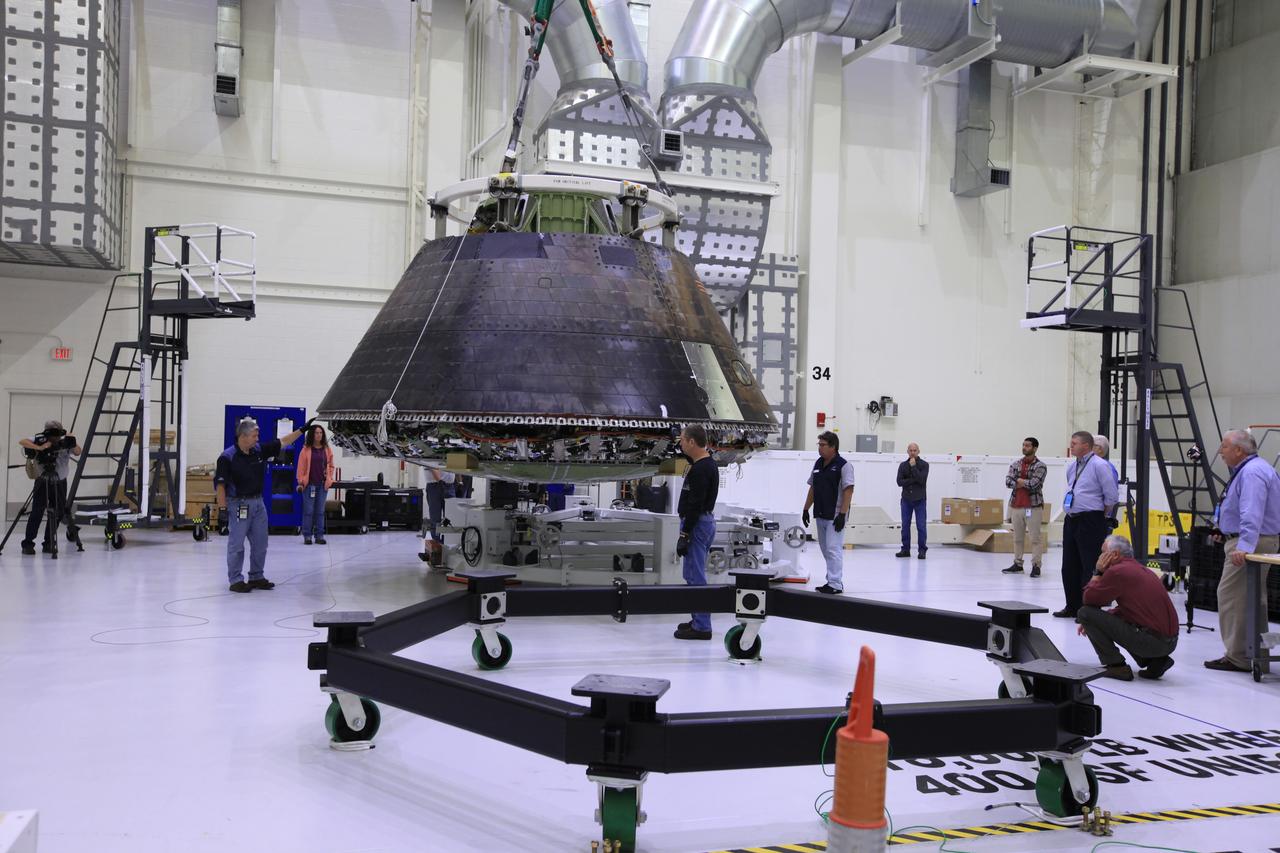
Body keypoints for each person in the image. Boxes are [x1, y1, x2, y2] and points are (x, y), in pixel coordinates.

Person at [1204, 429, 1280, 673]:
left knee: (1232, 597)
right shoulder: (1252, 469)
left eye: (1224, 446)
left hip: (1251, 542)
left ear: (1239, 450)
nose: (1220, 451)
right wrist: (1225, 531)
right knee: (1252, 600)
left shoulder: (1252, 472)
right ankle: (1257, 653)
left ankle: (1239, 657)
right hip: (1250, 539)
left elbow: (1252, 512)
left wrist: (1244, 546)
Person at [215, 415, 311, 593]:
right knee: (236, 545)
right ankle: (236, 580)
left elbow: (283, 442)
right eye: (254, 436)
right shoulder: (227, 457)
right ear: (243, 436)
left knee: (261, 543)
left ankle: (256, 576)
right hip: (238, 505)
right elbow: (220, 485)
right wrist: (222, 509)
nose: (257, 439)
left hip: (258, 504)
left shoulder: (258, 450)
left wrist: (302, 430)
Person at [1077, 535, 1179, 681]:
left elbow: (1089, 599)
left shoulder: (1117, 571)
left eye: (1103, 552)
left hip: (1153, 642)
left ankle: (1116, 665)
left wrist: (1098, 572)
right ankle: (1156, 661)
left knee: (1085, 613)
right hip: (1168, 642)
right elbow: (1130, 609)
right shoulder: (1141, 569)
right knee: (1109, 618)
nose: (1099, 557)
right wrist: (1102, 620)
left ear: (1115, 554)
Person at [1056, 430, 1118, 618]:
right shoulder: (1072, 466)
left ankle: (1088, 608)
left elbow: (1111, 496)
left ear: (1086, 446)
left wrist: (1099, 514)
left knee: (1089, 564)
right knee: (1069, 565)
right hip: (1072, 519)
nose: (1071, 445)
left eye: (1075, 442)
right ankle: (1072, 605)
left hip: (1091, 519)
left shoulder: (1100, 466)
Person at [674, 424, 718, 640]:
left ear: (692, 442)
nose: (680, 443)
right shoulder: (704, 464)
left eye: (683, 440)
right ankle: (697, 618)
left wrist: (685, 534)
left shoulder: (701, 469)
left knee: (696, 576)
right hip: (703, 522)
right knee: (692, 573)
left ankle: (702, 626)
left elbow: (695, 504)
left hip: (697, 524)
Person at [17, 420, 81, 555]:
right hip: (43, 480)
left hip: (60, 482)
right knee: (37, 512)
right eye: (52, 433)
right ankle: (28, 544)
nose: (55, 437)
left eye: (57, 433)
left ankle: (49, 542)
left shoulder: (65, 441)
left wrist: (72, 440)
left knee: (58, 513)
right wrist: (40, 448)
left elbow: (78, 452)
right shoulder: (40, 439)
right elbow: (22, 441)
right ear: (47, 432)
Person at [802, 431, 854, 594]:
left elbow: (848, 490)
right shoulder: (818, 464)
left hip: (835, 515)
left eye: (823, 445)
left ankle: (835, 583)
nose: (820, 448)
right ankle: (831, 580)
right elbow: (813, 487)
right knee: (826, 549)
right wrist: (805, 509)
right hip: (821, 513)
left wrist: (842, 515)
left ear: (833, 447)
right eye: (819, 445)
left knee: (833, 549)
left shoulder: (843, 465)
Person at [1003, 437, 1048, 577]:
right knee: (1017, 537)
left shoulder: (1041, 466)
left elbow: (1034, 483)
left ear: (1035, 448)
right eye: (1023, 445)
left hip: (1033, 506)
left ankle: (1036, 565)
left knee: (1035, 538)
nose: (1024, 447)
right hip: (1016, 506)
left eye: (1027, 445)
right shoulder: (1015, 464)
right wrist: (1022, 481)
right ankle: (1018, 563)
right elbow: (1007, 482)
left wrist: (1018, 481)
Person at [295, 423, 334, 545]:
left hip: (322, 485)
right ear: (312, 434)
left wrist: (329, 478)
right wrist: (301, 482)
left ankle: (319, 535)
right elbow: (300, 468)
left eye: (321, 433)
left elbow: (331, 466)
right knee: (308, 511)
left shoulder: (327, 450)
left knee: (320, 511)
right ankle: (307, 536)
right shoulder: (305, 450)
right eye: (316, 433)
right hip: (309, 486)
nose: (319, 435)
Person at [895, 443, 928, 559]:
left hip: (920, 500)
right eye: (911, 450)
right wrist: (913, 479)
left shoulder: (924, 465)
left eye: (915, 450)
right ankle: (905, 549)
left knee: (921, 526)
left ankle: (922, 550)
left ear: (918, 451)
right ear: (907, 451)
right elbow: (899, 482)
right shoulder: (903, 465)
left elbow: (922, 481)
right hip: (906, 500)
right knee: (905, 526)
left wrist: (913, 467)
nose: (913, 452)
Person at [423, 466, 457, 543]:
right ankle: (437, 544)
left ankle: (448, 542)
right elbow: (432, 466)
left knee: (451, 517)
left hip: (450, 485)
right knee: (435, 518)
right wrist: (440, 481)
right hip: (435, 485)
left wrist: (460, 482)